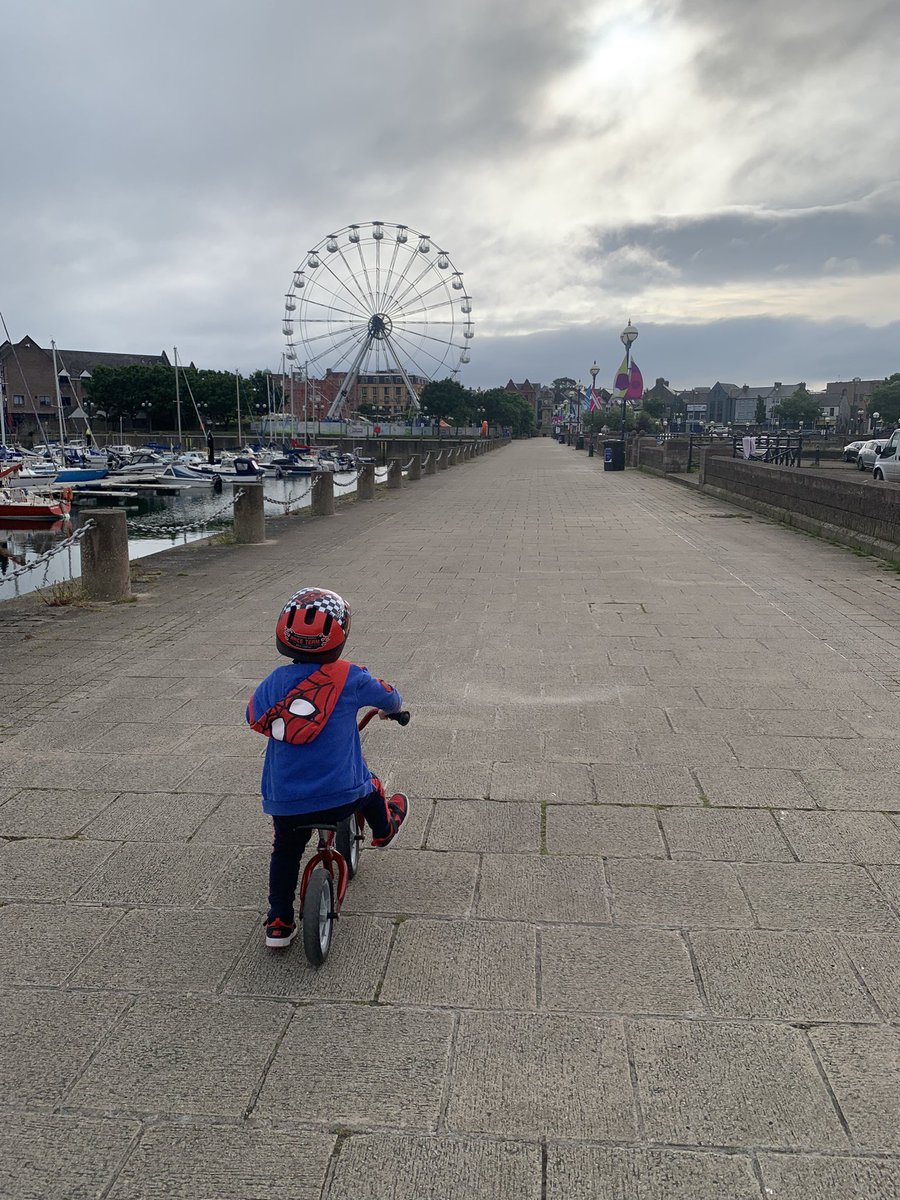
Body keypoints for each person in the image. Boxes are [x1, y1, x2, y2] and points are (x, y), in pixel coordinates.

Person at [247, 586, 409, 949]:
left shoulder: (273, 682)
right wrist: (393, 710)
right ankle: (384, 830)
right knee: (369, 786)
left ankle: (278, 921)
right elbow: (389, 695)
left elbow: (252, 715)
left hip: (286, 800)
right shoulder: (350, 677)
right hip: (341, 797)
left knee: (285, 850)